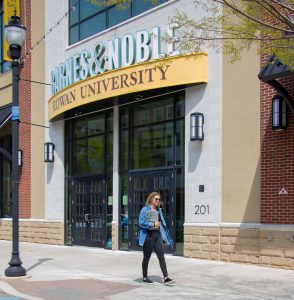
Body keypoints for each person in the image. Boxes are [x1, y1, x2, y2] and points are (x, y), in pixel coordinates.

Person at [138, 191, 175, 284]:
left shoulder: (159, 210)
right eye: (156, 199)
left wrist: (164, 235)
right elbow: (141, 223)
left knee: (161, 257)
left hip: (157, 235)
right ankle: (145, 277)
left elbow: (161, 224)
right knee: (146, 257)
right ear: (151, 199)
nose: (158, 201)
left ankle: (166, 277)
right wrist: (152, 224)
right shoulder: (145, 209)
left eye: (159, 199)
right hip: (148, 236)